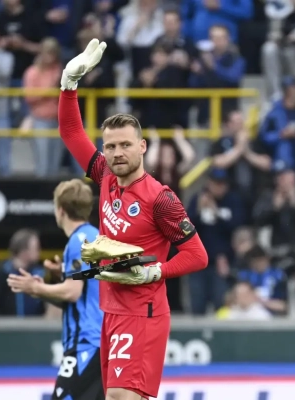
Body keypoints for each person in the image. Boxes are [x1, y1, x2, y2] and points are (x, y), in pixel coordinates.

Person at [57, 39, 208, 400]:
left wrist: (155, 271)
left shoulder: (161, 198)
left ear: (142, 147)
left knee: (120, 397)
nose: (117, 153)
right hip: (110, 310)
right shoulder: (105, 177)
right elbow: (71, 133)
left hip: (142, 312)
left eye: (125, 145)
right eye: (110, 146)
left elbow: (197, 255)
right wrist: (68, 85)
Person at [7, 179, 104, 400]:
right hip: (100, 341)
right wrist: (59, 277)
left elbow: (72, 292)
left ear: (60, 210)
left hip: (86, 342)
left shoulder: (78, 241)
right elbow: (88, 291)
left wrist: (36, 287)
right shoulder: (95, 235)